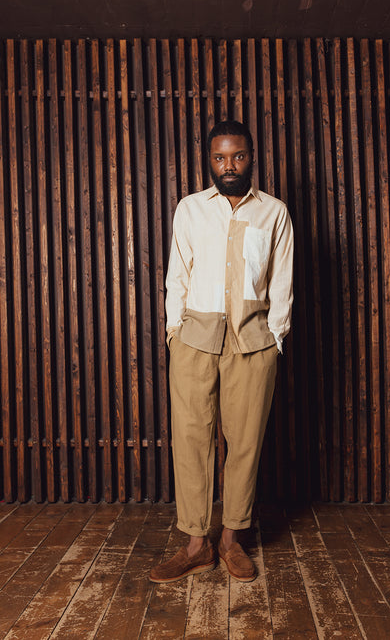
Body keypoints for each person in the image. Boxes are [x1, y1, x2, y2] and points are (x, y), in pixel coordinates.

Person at [150, 120, 294, 584]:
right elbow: (178, 273)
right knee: (189, 439)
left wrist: (275, 336)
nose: (228, 166)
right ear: (208, 160)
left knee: (245, 441)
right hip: (195, 338)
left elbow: (282, 281)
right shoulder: (190, 209)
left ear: (252, 156)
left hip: (253, 343)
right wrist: (175, 329)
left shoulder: (275, 212)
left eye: (237, 156)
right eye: (219, 157)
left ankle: (233, 539)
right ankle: (196, 543)